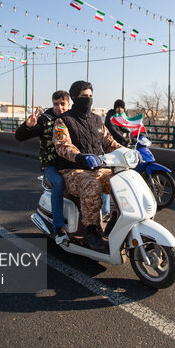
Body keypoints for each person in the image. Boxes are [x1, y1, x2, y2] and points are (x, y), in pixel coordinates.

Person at [53, 81, 122, 253]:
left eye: (90, 96)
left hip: (97, 168)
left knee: (121, 182)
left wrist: (126, 151)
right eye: (84, 97)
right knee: (91, 185)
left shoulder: (97, 120)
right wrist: (79, 156)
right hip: (72, 170)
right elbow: (62, 145)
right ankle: (91, 231)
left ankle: (118, 222)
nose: (88, 100)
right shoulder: (63, 120)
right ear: (75, 98)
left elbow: (109, 142)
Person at [16, 91, 71, 244]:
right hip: (51, 164)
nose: (59, 107)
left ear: (68, 104)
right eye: (56, 104)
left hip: (71, 163)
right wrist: (27, 126)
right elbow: (20, 137)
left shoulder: (73, 119)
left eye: (62, 104)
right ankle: (58, 227)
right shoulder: (45, 120)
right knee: (58, 182)